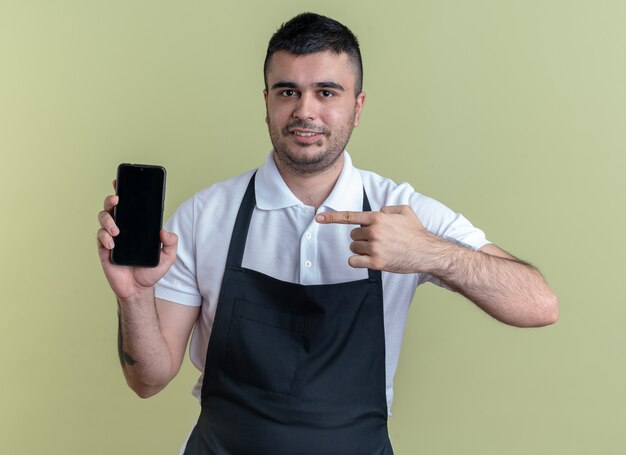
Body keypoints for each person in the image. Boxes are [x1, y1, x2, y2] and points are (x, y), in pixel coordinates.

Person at [97, 12, 558, 455]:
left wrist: (430, 253)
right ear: (266, 102)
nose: (305, 110)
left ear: (357, 107)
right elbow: (148, 380)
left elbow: (539, 305)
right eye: (288, 92)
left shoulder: (401, 210)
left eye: (326, 92)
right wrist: (133, 297)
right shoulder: (204, 215)